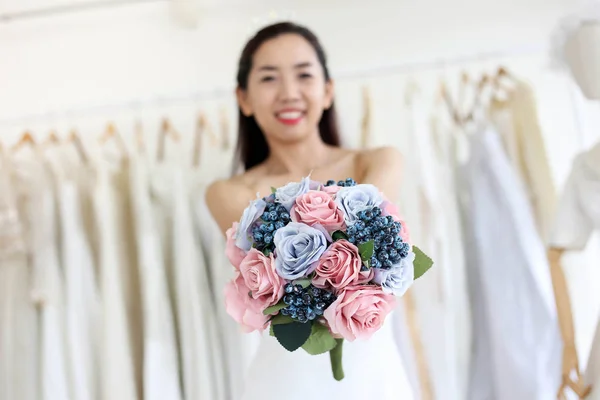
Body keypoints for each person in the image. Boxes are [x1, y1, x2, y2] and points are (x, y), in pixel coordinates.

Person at [206, 21, 415, 400]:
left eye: (304, 75)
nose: (289, 93)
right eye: (269, 78)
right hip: (285, 380)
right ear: (244, 99)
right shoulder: (226, 192)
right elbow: (273, 269)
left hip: (374, 376)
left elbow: (368, 256)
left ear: (328, 90)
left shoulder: (378, 162)